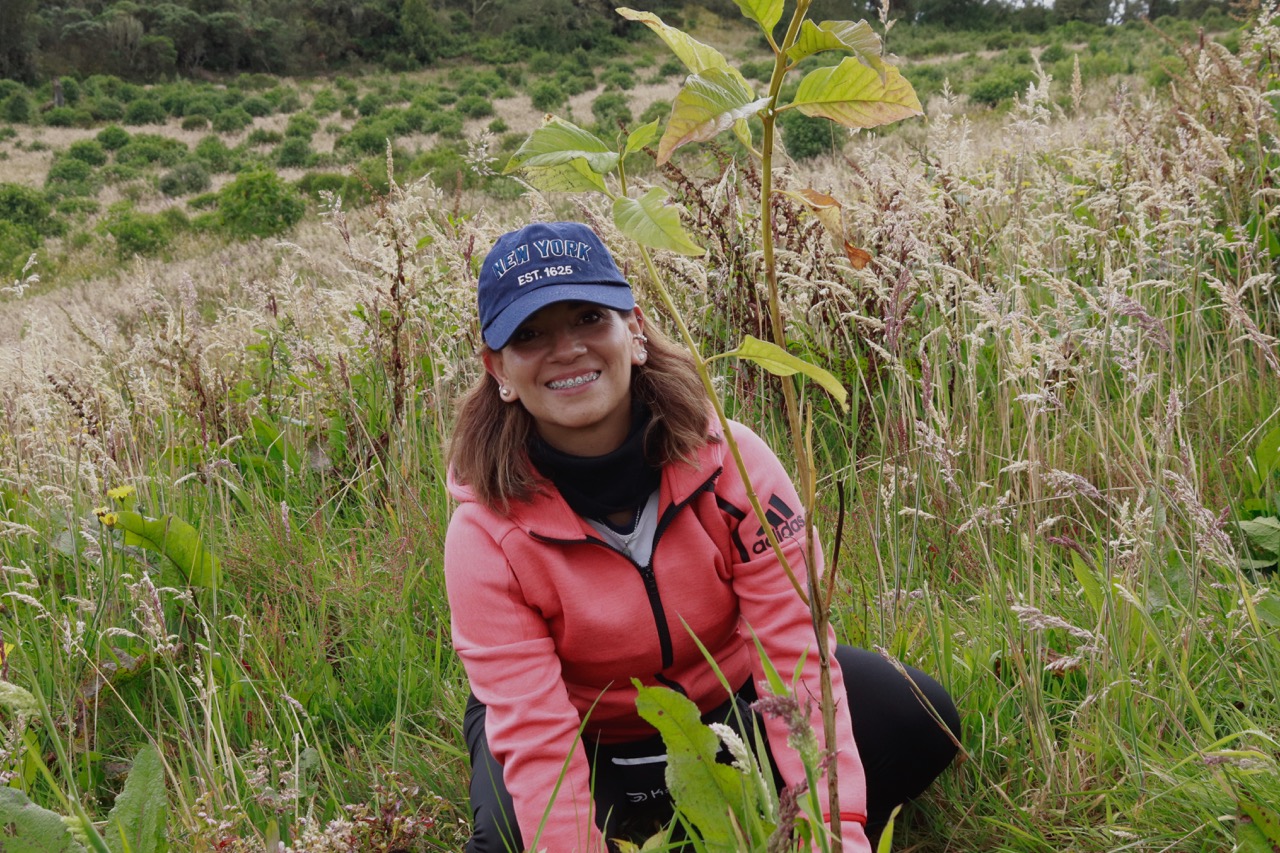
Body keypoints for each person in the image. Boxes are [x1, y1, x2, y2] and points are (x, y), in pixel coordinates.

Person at [444, 221, 960, 853]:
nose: (567, 349)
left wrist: (832, 836)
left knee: (919, 716)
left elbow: (795, 657)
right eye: (529, 335)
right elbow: (536, 735)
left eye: (587, 318)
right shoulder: (483, 530)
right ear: (497, 368)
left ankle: (737, 826)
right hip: (589, 737)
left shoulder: (735, 464)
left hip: (730, 712)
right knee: (507, 845)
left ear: (632, 331)